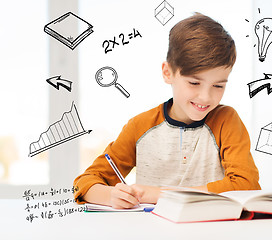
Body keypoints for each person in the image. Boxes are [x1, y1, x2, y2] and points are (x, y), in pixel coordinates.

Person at [73, 13, 261, 209]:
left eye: (218, 86)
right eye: (194, 83)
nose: (206, 97)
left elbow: (246, 185)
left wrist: (157, 194)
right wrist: (111, 196)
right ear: (167, 72)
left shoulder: (226, 120)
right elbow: (83, 183)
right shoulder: (140, 126)